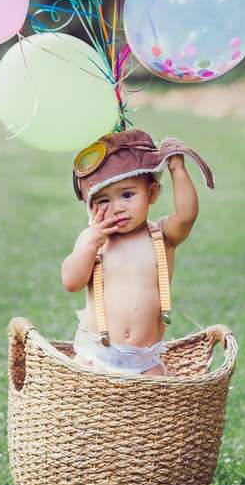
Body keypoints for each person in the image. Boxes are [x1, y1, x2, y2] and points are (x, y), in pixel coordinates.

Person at [61, 128, 214, 377]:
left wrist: (177, 168)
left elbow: (187, 216)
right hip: (96, 354)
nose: (118, 207)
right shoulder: (93, 241)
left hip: (145, 360)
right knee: (85, 403)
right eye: (103, 201)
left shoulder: (162, 237)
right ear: (90, 207)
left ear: (152, 193)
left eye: (128, 195)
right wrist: (90, 243)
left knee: (159, 405)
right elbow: (71, 282)